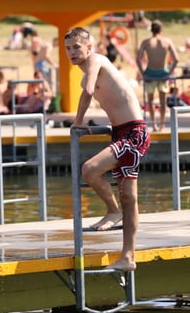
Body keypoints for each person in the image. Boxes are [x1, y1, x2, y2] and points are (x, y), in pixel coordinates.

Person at [64, 27, 150, 272]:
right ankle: (127, 257)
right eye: (68, 48)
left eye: (76, 47)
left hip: (135, 132)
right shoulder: (85, 73)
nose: (72, 52)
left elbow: (89, 91)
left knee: (90, 170)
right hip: (121, 132)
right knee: (128, 197)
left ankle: (114, 214)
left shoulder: (96, 60)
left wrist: (78, 122)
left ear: (89, 47)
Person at [136, 20, 179, 131]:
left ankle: (154, 125)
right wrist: (169, 73)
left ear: (151, 30)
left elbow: (138, 59)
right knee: (162, 102)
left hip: (150, 72)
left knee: (150, 101)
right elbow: (176, 59)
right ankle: (162, 124)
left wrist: (143, 73)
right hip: (163, 73)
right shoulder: (167, 42)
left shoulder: (146, 42)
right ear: (161, 30)